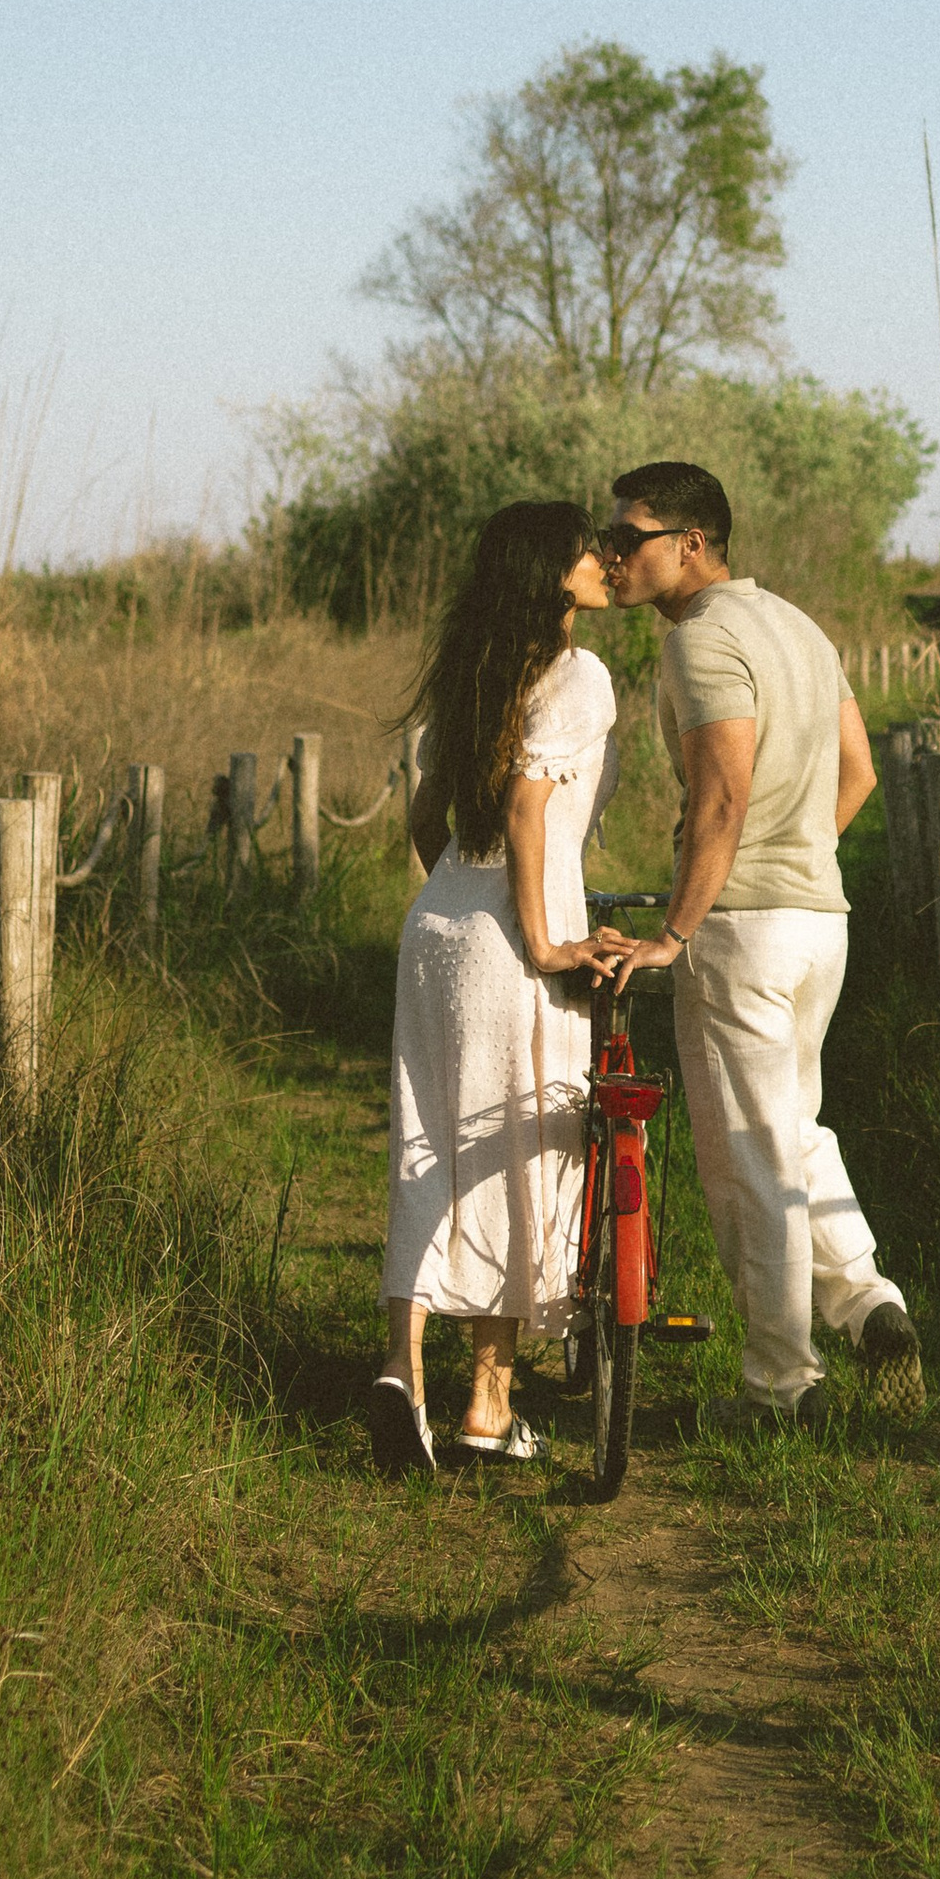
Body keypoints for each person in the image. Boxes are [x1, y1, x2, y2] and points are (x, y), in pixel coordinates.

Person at [598, 460, 923, 1427]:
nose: (614, 555)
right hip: (820, 923)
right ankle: (869, 1307)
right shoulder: (799, 627)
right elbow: (857, 771)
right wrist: (800, 860)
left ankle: (782, 1386)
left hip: (743, 932)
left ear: (691, 544)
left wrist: (676, 933)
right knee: (793, 1128)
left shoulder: (703, 641)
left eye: (631, 538)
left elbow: (722, 798)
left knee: (751, 1159)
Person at [374, 498, 620, 1474]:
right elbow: (528, 808)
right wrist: (547, 939)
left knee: (425, 1138)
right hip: (512, 941)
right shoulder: (578, 676)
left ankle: (402, 1369)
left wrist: (460, 890)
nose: (604, 560)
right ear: (546, 574)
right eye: (584, 551)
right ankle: (486, 1399)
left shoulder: (472, 677)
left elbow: (429, 817)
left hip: (436, 923)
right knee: (518, 1147)